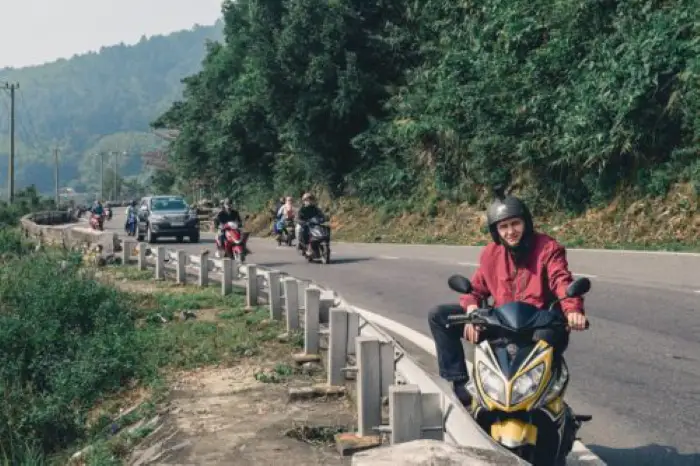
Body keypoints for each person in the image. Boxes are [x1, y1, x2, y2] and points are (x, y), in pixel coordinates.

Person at [428, 189, 588, 408]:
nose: (510, 231)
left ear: (526, 223)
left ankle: (547, 397)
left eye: (515, 224)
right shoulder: (490, 254)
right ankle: (460, 386)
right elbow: (475, 288)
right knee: (439, 315)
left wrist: (572, 310)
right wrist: (471, 309)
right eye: (503, 227)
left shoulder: (548, 248)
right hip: (502, 323)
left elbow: (561, 279)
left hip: (539, 323)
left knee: (546, 338)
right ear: (496, 231)